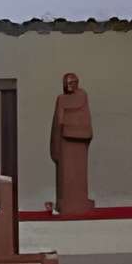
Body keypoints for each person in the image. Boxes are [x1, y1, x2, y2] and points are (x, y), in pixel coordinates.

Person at [49, 72, 96, 218]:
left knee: (79, 173)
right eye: (67, 83)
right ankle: (67, 202)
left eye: (72, 82)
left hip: (79, 144)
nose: (69, 85)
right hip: (65, 144)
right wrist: (56, 146)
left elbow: (85, 119)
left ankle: (80, 201)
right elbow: (58, 122)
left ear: (77, 83)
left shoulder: (83, 96)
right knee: (66, 174)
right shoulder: (61, 99)